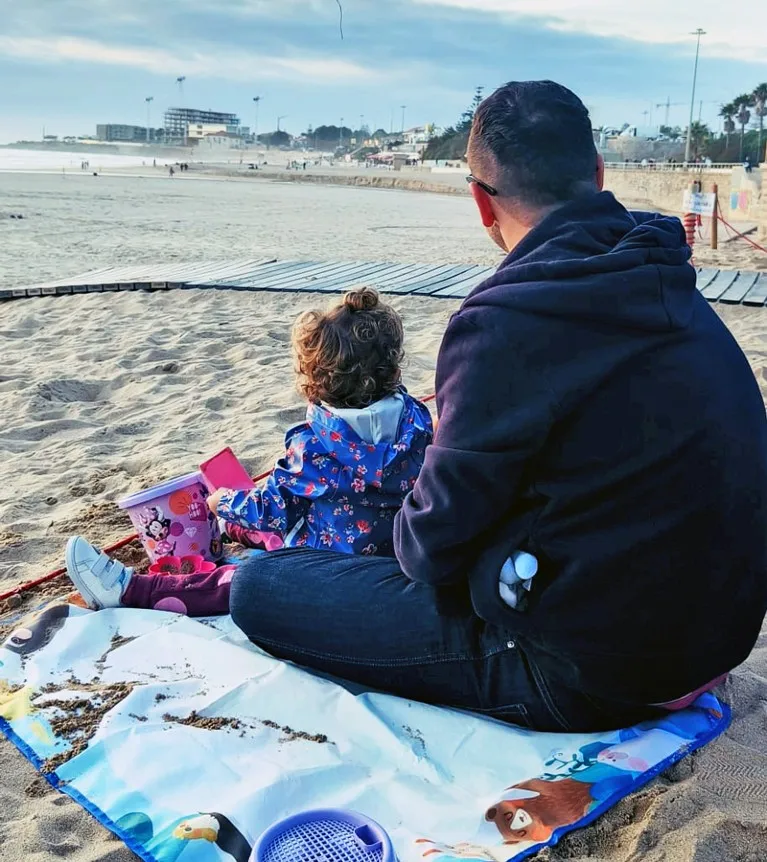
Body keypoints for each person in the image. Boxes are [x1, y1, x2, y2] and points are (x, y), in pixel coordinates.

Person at [224, 80, 767, 732]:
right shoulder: (669, 283)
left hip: (593, 673)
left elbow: (426, 554)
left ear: (482, 202)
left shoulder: (500, 322)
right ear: (596, 174)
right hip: (715, 639)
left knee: (262, 586)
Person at [64, 288, 434, 616]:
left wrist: (222, 502)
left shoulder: (313, 447)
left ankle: (130, 590)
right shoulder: (418, 421)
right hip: (393, 559)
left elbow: (271, 510)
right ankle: (232, 531)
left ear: (313, 379)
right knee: (294, 527)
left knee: (234, 584)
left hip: (329, 573)